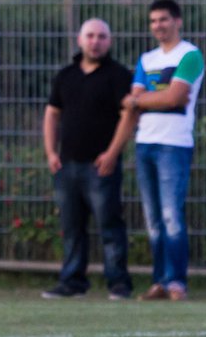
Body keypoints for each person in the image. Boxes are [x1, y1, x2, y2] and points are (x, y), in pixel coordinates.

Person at [40, 18, 136, 300]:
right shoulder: (66, 75)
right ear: (80, 40)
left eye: (102, 37)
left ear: (110, 41)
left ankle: (118, 283)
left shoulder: (118, 76)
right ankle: (72, 282)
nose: (96, 42)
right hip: (67, 165)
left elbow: (128, 115)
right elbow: (52, 114)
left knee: (110, 225)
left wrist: (112, 153)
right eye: (91, 36)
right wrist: (50, 152)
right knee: (71, 227)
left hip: (101, 166)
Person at [124, 0, 205, 302]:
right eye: (154, 20)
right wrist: (146, 99)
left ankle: (176, 283)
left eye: (164, 19)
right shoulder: (146, 60)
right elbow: (145, 97)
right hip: (145, 143)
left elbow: (175, 97)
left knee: (172, 215)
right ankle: (159, 281)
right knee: (153, 219)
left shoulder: (191, 55)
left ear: (177, 21)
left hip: (174, 144)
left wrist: (139, 100)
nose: (158, 25)